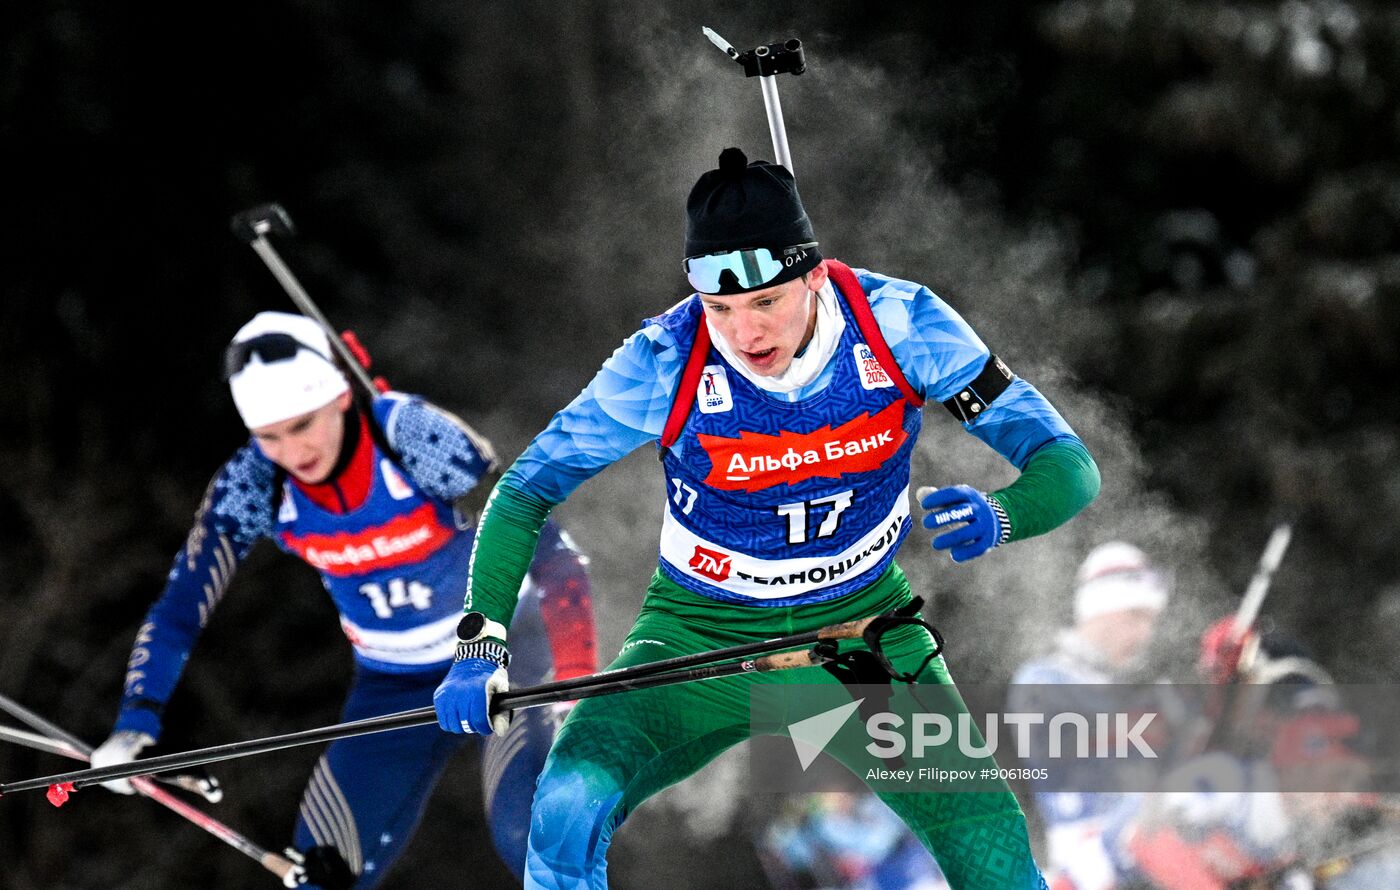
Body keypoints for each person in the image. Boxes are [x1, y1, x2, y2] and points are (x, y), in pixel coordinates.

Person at [433, 148, 1101, 890]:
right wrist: (480, 638)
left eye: (765, 302)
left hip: (857, 641)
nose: (743, 333)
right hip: (696, 635)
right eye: (718, 308)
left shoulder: (900, 324)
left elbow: (1068, 465)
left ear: (814, 275)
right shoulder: (664, 359)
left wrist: (1002, 514)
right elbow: (525, 490)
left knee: (992, 848)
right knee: (563, 807)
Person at [91, 311, 597, 888]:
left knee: (534, 840)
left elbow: (554, 556)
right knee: (323, 877)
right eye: (269, 435)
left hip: (505, 654)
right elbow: (182, 604)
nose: (291, 450)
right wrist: (136, 722)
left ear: (338, 397)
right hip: (391, 682)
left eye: (302, 424)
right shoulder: (255, 482)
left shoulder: (410, 436)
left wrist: (575, 687)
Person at [1008, 541, 1170, 890]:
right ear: (1099, 611)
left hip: (1145, 858)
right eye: (1134, 617)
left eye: (1150, 621)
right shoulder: (1042, 679)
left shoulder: (1127, 687)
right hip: (1085, 865)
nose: (1144, 633)